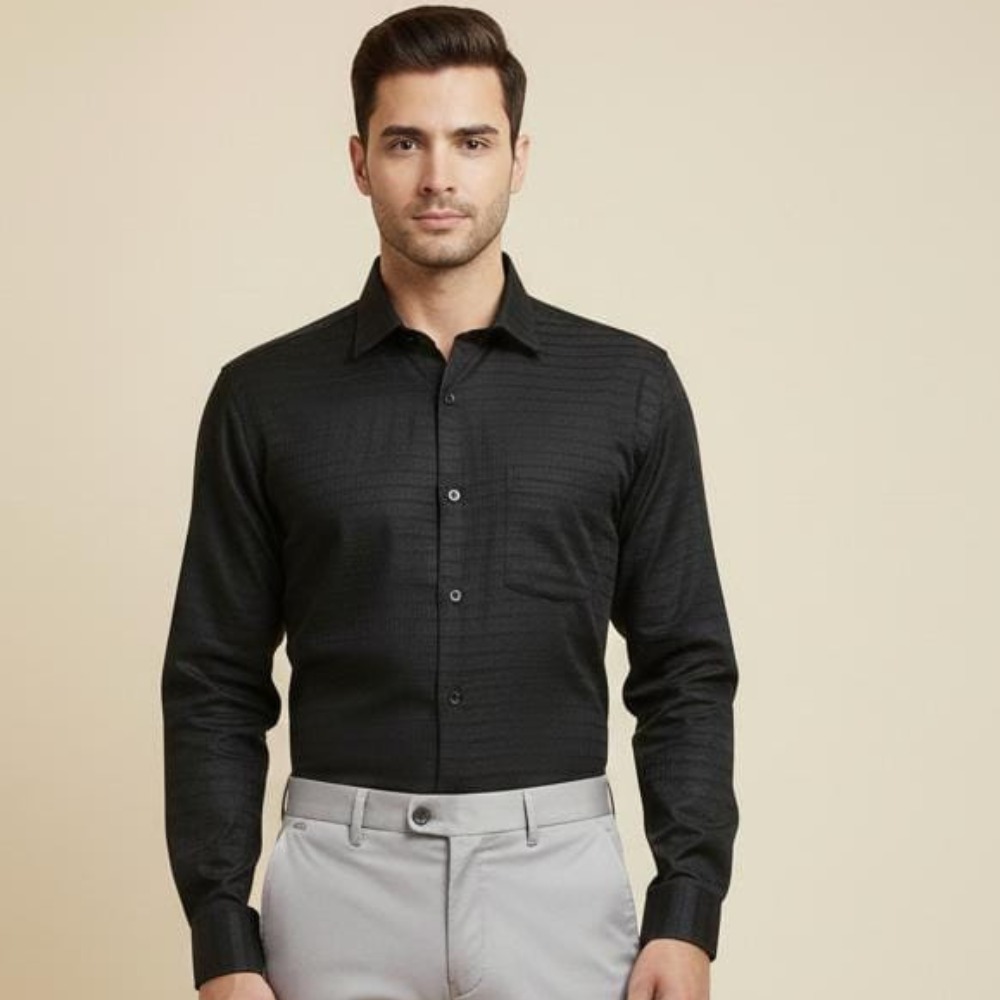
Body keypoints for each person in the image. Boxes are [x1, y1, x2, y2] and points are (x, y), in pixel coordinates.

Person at [160, 6, 739, 1000]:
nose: (438, 176)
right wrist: (221, 936)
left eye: (471, 141)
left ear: (518, 158)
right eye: (405, 143)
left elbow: (684, 664)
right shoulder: (264, 398)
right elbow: (214, 678)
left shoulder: (628, 388)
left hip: (559, 886)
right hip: (336, 888)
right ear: (359, 162)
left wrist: (686, 912)